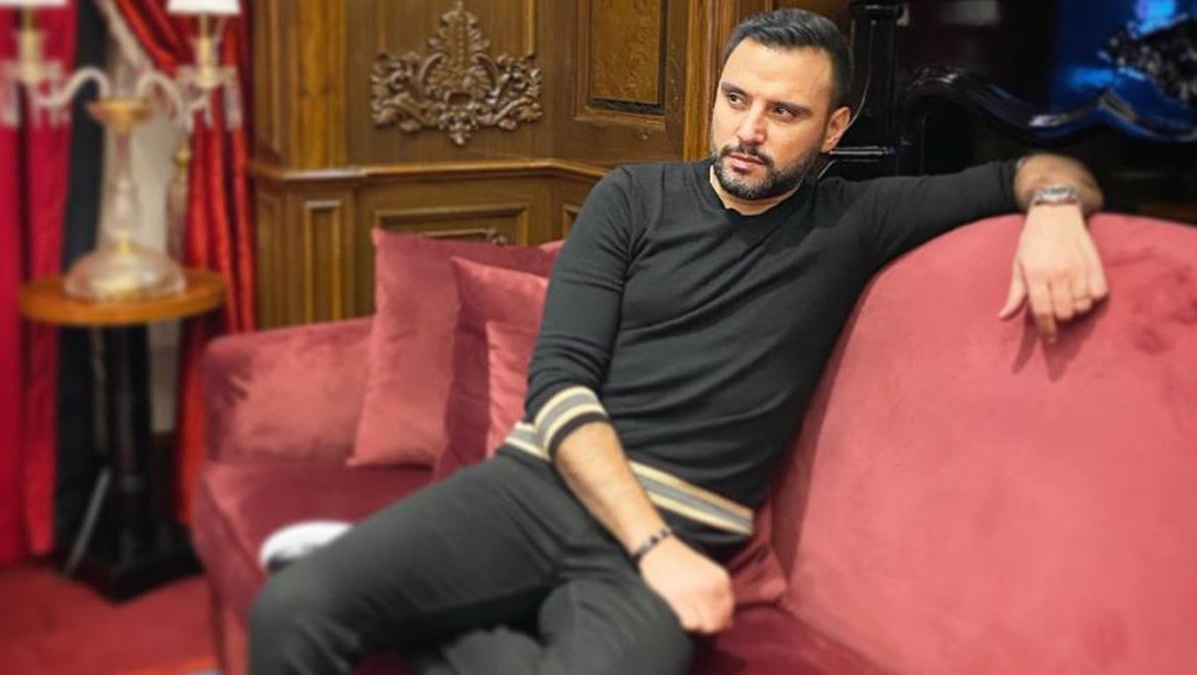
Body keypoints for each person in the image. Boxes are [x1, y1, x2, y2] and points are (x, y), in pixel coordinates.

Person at [249, 8, 1107, 674]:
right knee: (293, 610)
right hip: (541, 489)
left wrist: (1056, 210)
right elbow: (558, 384)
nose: (749, 130)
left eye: (783, 111)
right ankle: (426, 599)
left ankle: (439, 622)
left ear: (834, 128)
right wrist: (652, 546)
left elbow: (1043, 171)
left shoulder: (857, 219)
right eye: (736, 99)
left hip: (683, 528)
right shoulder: (633, 198)